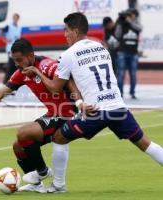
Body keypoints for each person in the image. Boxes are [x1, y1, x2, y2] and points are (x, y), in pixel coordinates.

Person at [21, 12, 163, 191]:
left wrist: (36, 71)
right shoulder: (101, 47)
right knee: (145, 143)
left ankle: (58, 185)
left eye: (66, 30)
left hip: (96, 111)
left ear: (76, 30)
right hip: (118, 107)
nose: (64, 34)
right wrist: (80, 102)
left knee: (59, 138)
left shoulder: (69, 54)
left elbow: (55, 88)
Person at [0, 38, 83, 193]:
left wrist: (79, 102)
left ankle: (42, 171)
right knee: (18, 146)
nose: (17, 64)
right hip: (53, 114)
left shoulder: (47, 65)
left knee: (23, 133)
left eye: (19, 60)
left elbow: (66, 81)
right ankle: (36, 185)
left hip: (67, 114)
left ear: (31, 56)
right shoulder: (21, 73)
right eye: (14, 60)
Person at [115, 8, 142, 99]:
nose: (131, 16)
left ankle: (132, 92)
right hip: (122, 52)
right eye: (129, 15)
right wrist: (120, 23)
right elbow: (117, 35)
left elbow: (140, 29)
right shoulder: (122, 24)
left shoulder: (136, 24)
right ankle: (120, 93)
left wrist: (129, 21)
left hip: (133, 53)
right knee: (121, 74)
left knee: (133, 74)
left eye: (132, 15)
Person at [0, 13, 22, 83]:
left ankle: (12, 81)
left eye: (17, 18)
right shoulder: (9, 26)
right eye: (14, 18)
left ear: (18, 19)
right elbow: (0, 32)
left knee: (15, 65)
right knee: (11, 65)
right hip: (10, 48)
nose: (15, 19)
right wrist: (5, 40)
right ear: (13, 18)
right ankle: (7, 81)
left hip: (16, 48)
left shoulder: (19, 27)